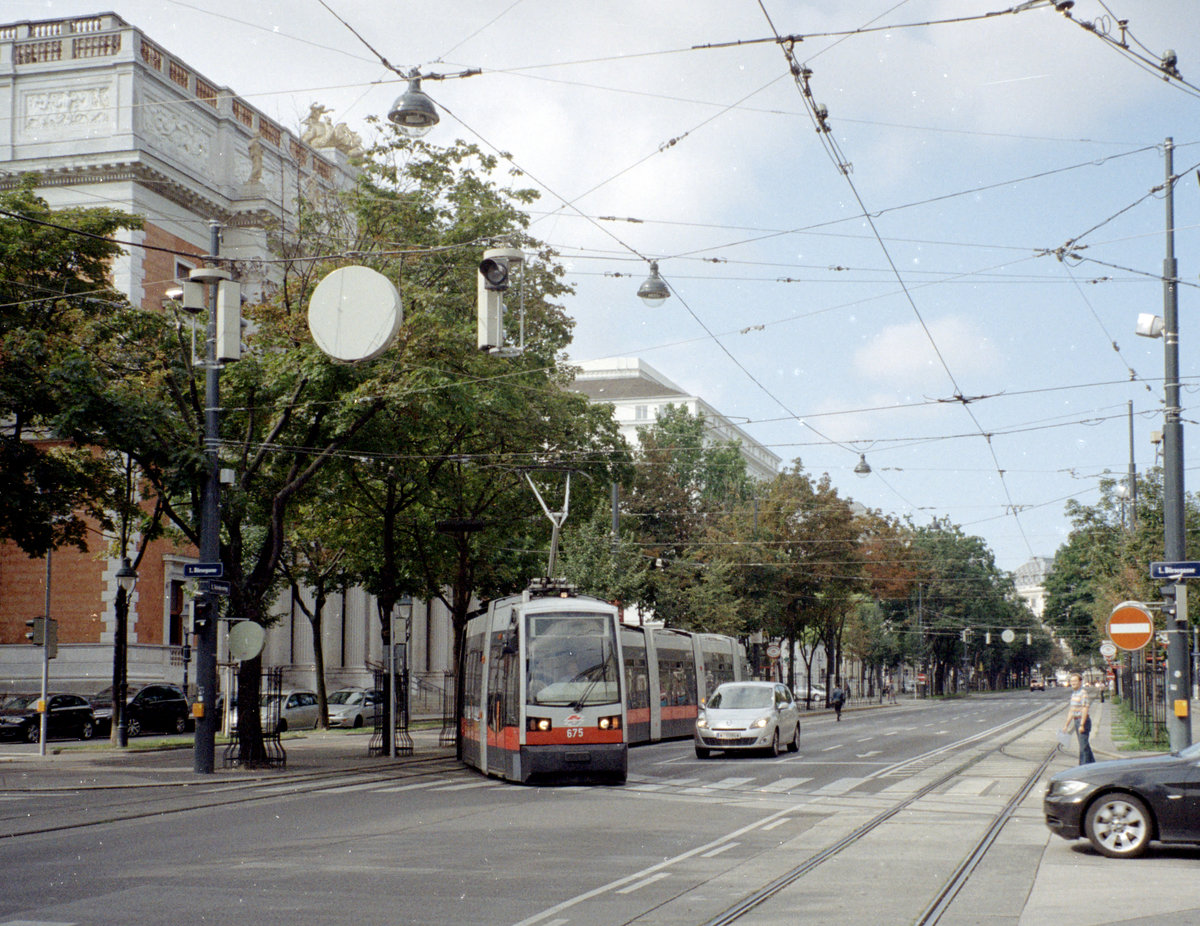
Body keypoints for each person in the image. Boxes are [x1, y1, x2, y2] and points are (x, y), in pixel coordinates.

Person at [1062, 671, 1095, 765]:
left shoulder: (1083, 693)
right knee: (1084, 745)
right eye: (1071, 681)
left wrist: (1082, 724)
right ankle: (1093, 765)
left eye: (1075, 681)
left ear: (1080, 682)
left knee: (1083, 746)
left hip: (1082, 720)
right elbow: (1072, 710)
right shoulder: (1074, 693)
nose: (1073, 683)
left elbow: (1085, 708)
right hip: (1076, 720)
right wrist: (1066, 725)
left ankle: (1083, 766)